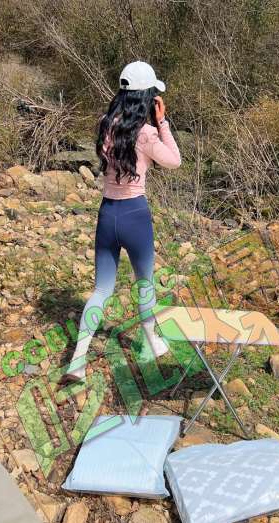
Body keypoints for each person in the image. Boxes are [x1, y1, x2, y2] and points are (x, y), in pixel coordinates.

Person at [59, 61, 181, 385]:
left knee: (101, 290)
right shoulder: (146, 134)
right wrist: (163, 122)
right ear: (147, 98)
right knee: (144, 285)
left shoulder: (105, 124)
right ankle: (151, 343)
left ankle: (77, 361)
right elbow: (174, 160)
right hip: (135, 215)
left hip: (107, 214)